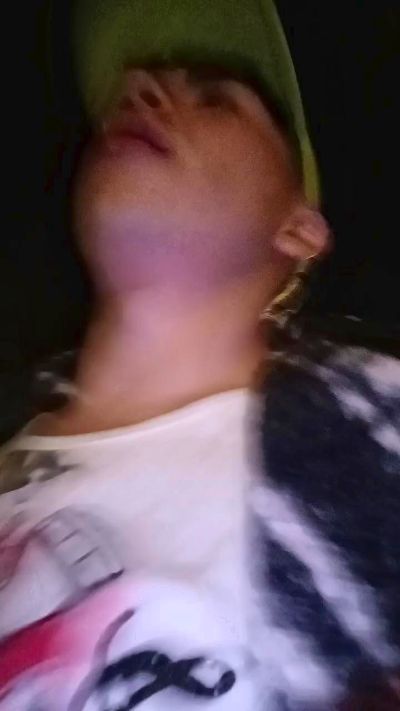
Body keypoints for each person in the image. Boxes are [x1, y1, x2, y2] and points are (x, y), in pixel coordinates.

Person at [0, 1, 399, 709]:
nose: (140, 92)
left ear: (298, 230)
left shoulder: (375, 427)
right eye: (133, 89)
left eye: (216, 99)